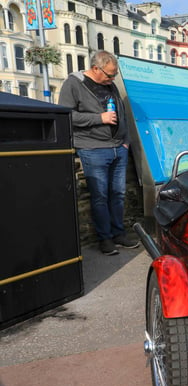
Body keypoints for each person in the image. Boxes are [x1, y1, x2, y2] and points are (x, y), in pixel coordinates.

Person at [59, 50, 139, 255]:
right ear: (96, 68)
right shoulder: (74, 84)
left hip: (118, 148)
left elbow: (121, 113)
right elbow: (66, 115)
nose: (112, 79)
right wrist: (99, 119)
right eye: (110, 74)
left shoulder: (109, 84)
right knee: (100, 197)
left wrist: (125, 142)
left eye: (115, 75)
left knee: (118, 195)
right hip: (93, 149)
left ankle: (119, 234)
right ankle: (105, 239)